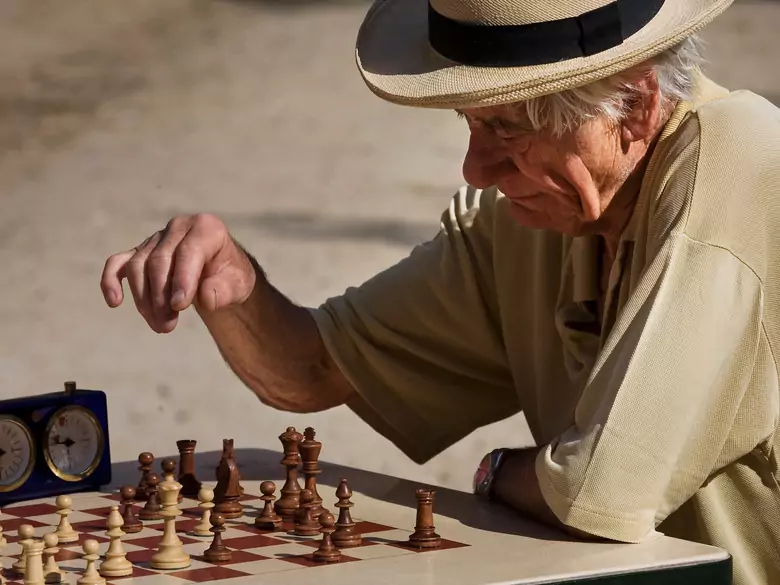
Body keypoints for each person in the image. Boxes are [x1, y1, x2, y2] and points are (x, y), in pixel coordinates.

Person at [100, 0, 780, 583]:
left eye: (507, 129)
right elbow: (313, 368)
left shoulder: (743, 159)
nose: (475, 169)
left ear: (634, 106)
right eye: (470, 123)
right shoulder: (528, 220)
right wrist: (235, 286)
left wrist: (493, 472)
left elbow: (597, 493)